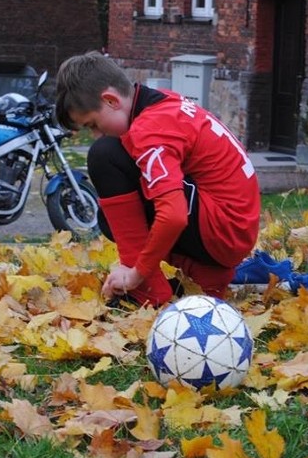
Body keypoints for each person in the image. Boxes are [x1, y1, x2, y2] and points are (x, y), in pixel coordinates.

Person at [55, 51, 260, 306]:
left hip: (222, 231)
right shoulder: (164, 103)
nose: (96, 134)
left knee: (104, 155)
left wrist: (135, 273)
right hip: (233, 229)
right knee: (110, 214)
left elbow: (174, 215)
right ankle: (207, 276)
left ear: (110, 100)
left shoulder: (149, 130)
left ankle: (147, 291)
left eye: (93, 124)